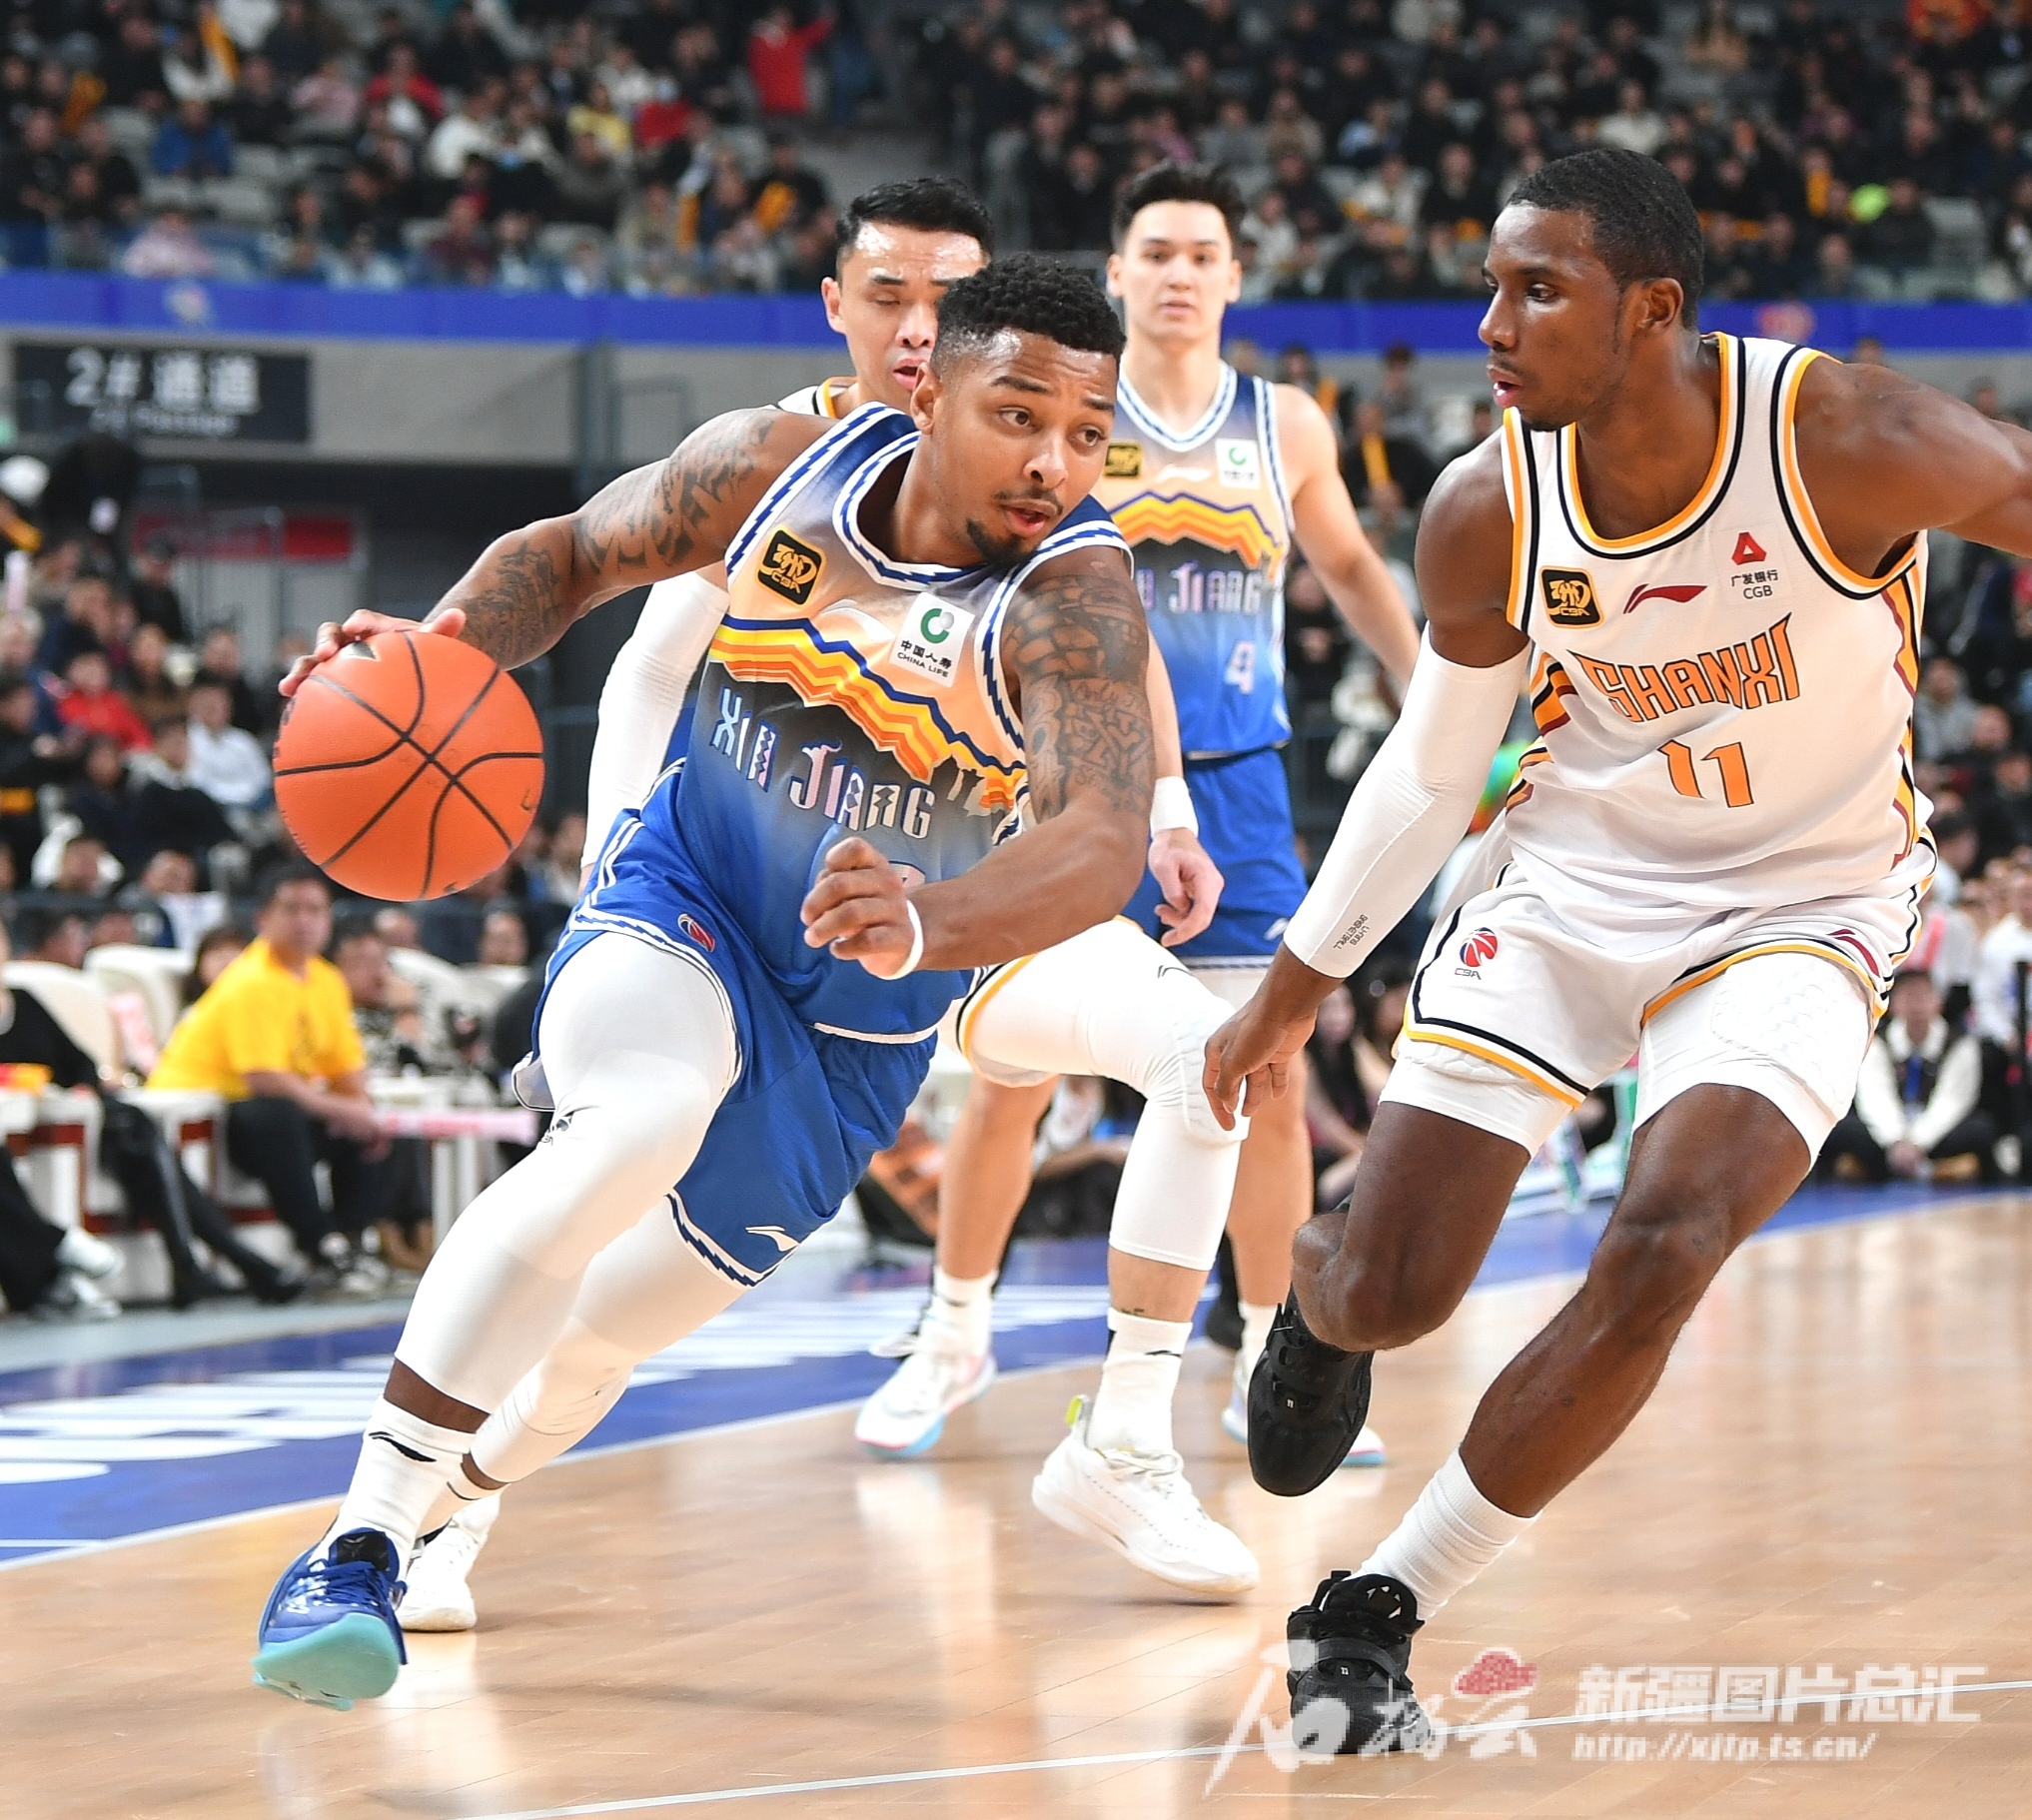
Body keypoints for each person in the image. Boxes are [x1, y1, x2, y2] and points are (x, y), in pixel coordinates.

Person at [1199, 145, 2032, 1753]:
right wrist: (1295, 985)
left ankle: (1376, 1601)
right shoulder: (1484, 507)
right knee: (1392, 1290)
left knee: (1665, 1239)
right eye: (1491, 285)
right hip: (1569, 884)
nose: (1489, 324)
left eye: (1536, 288)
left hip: (1806, 896)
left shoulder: (1850, 440)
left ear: (1651, 308)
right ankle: (1322, 1286)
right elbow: (1434, 769)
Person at [251, 254, 1162, 1707]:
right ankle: (355, 1543)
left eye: (1088, 433)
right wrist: (432, 647)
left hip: (852, 1028)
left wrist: (928, 919)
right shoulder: (772, 469)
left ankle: (454, 1499)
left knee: (598, 1339)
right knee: (637, 1118)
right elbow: (570, 554)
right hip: (688, 896)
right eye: (1019, 416)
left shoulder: (1075, 599)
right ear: (929, 391)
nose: (1054, 462)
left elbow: (1102, 839)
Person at [398, 182, 1254, 1629]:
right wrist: (616, 885)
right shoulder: (777, 463)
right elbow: (643, 662)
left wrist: (1162, 812)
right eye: (892, 298)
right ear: (843, 311)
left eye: (947, 298)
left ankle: (1108, 1434)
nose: (918, 325)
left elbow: (1113, 691)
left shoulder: (1048, 509)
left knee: (1210, 1054)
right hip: (739, 902)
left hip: (964, 907)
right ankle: (436, 1503)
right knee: (603, 1223)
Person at [862, 164, 1419, 1477]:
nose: (1178, 273)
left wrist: (1435, 707)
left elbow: (1349, 566)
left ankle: (1270, 1354)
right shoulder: (1067, 415)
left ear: (1233, 277)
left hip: (1239, 785)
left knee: (1266, 1076)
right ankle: (954, 1331)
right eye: (1156, 252)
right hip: (1067, 780)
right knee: (1014, 1078)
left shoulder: (1284, 426)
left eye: (1200, 253)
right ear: (1116, 274)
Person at [0, 916, 301, 1306]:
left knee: (136, 1130)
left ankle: (194, 1262)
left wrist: (86, 1089)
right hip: (39, 1122)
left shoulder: (24, 1002)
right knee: (140, 1142)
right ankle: (208, 1262)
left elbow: (79, 1063)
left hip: (87, 1115)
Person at [149, 867, 390, 1293]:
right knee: (277, 1115)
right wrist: (343, 1108)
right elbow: (263, 1078)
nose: (304, 921)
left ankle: (354, 1241)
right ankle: (320, 1244)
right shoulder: (251, 979)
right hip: (206, 1107)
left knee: (365, 1124)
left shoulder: (326, 979)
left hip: (268, 1111)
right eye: (291, 909)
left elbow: (346, 1069)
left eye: (315, 910)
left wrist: (363, 1110)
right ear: (264, 918)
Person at [1819, 970, 1994, 1183]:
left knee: (1980, 1129)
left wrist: (1918, 1142)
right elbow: (1875, 1098)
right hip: (1888, 1137)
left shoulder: (1960, 1043)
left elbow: (1952, 1102)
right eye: (1909, 997)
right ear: (1893, 1005)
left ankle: (1888, 1170)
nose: (1917, 1006)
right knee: (1844, 1128)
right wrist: (1895, 1141)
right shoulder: (1877, 1041)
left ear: (1938, 1002)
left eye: (1924, 997)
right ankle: (1928, 1170)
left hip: (1935, 1134)